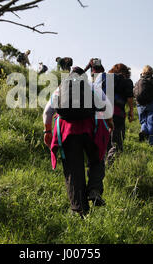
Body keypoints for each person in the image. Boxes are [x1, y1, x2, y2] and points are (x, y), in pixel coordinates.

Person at [43, 67, 114, 217]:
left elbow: (47, 112)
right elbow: (107, 108)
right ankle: (94, 189)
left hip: (67, 132)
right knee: (97, 158)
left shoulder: (60, 88)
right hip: (91, 129)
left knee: (73, 169)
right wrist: (110, 124)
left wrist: (47, 131)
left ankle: (80, 210)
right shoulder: (92, 86)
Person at [103, 64, 134, 166]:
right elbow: (130, 98)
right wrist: (131, 111)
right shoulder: (126, 81)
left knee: (105, 140)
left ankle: (103, 164)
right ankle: (110, 166)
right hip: (117, 114)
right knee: (117, 142)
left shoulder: (106, 80)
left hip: (103, 114)